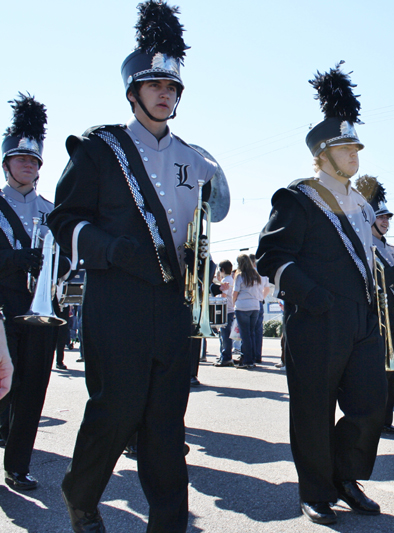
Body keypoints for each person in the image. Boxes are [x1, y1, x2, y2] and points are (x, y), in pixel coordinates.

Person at [47, 3, 218, 531]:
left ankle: (168, 520)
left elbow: (204, 224)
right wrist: (109, 248)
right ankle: (81, 492)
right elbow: (65, 220)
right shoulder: (101, 149)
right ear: (133, 91)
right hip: (115, 299)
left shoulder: (195, 158)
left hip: (171, 303)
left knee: (166, 422)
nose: (164, 93)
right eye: (154, 84)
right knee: (116, 410)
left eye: (172, 86)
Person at [254, 62, 385, 525]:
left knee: (371, 404)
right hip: (315, 317)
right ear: (323, 154)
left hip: (363, 318)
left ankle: (346, 476)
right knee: (312, 409)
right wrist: (310, 295)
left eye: (355, 146)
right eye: (346, 147)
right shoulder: (298, 196)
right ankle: (315, 491)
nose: (355, 154)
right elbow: (270, 257)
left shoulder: (362, 204)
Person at [0, 93, 68, 491]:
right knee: (4, 384)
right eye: (21, 158)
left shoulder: (51, 209)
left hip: (40, 309)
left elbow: (68, 258)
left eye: (34, 160)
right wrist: (14, 261)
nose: (28, 164)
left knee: (33, 389)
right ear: (7, 163)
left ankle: (18, 464)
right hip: (3, 306)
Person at [355, 175, 394, 433]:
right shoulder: (366, 246)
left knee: (393, 371)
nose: (385, 222)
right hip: (375, 314)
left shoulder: (391, 248)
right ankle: (372, 421)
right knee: (376, 373)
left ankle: (386, 420)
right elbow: (379, 279)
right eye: (381, 217)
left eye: (388, 218)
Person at [232, 254, 263, 369]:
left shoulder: (240, 276)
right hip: (255, 306)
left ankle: (247, 360)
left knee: (244, 335)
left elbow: (235, 293)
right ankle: (252, 358)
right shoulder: (256, 275)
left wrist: (233, 303)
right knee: (251, 333)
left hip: (242, 306)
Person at [214, 259, 235, 366]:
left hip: (225, 309)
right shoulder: (230, 279)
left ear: (222, 269)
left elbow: (223, 295)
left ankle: (226, 357)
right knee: (224, 334)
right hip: (229, 309)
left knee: (224, 335)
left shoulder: (226, 280)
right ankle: (224, 355)